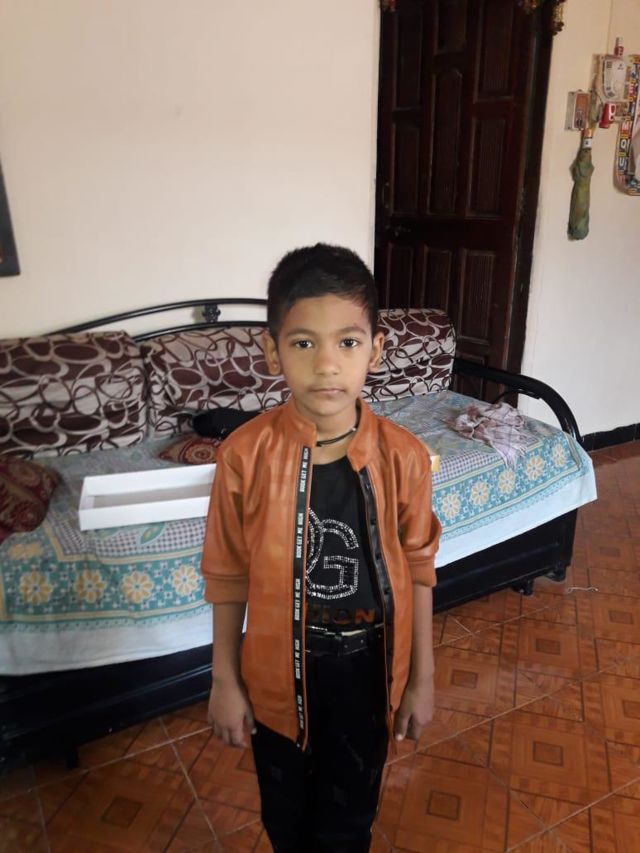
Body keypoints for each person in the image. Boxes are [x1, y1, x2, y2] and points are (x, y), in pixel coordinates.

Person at [201, 243, 441, 852]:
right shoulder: (244, 456)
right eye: (304, 343)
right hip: (275, 672)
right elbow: (227, 573)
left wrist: (422, 679)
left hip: (369, 672)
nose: (327, 365)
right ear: (272, 350)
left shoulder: (405, 457)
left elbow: (419, 567)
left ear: (376, 350)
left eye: (348, 342)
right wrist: (224, 679)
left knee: (348, 824)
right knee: (285, 821)